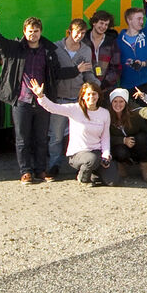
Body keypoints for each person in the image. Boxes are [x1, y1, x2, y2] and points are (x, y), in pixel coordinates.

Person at [0, 3, 64, 184]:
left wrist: (77, 71)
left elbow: (56, 74)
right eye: (29, 31)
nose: (33, 34)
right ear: (24, 32)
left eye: (36, 31)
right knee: (22, 139)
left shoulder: (49, 51)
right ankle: (26, 172)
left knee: (41, 139)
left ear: (40, 31)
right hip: (21, 101)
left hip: (42, 101)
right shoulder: (14, 48)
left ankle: (41, 170)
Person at [29, 79, 117, 186]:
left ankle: (92, 173)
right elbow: (53, 108)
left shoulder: (104, 113)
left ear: (98, 96)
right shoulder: (75, 109)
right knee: (91, 159)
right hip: (78, 154)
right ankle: (83, 178)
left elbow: (105, 137)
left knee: (112, 181)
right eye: (88, 94)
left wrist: (106, 155)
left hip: (97, 152)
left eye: (94, 94)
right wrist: (41, 96)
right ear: (83, 96)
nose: (91, 97)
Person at [44, 19, 98, 179]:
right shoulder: (56, 48)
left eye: (82, 33)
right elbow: (53, 73)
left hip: (77, 99)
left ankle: (80, 165)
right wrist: (76, 69)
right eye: (77, 32)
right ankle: (54, 165)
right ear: (69, 31)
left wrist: (96, 84)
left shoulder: (86, 50)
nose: (79, 36)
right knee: (56, 136)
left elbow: (87, 73)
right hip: (59, 99)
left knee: (80, 135)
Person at [106, 87, 147, 182]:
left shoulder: (132, 110)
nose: (118, 104)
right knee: (120, 151)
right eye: (115, 101)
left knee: (142, 138)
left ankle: (145, 168)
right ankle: (121, 165)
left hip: (136, 141)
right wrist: (122, 140)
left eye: (121, 101)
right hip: (119, 144)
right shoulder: (106, 114)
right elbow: (106, 137)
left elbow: (142, 111)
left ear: (125, 102)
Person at [83, 9, 121, 95]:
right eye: (101, 23)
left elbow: (116, 67)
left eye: (106, 24)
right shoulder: (84, 40)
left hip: (107, 88)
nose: (103, 27)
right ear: (94, 23)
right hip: (87, 88)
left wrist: (103, 85)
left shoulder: (111, 42)